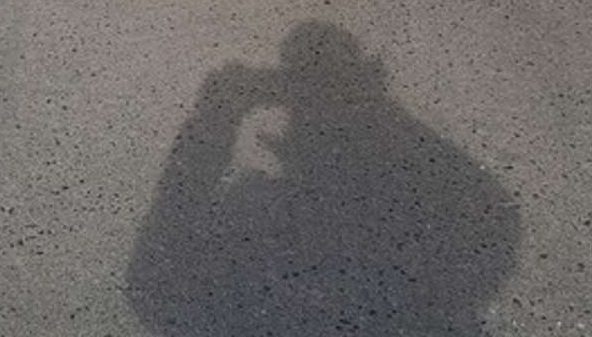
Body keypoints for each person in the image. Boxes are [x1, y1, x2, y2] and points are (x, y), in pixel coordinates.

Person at [128, 21, 519, 336]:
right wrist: (362, 99)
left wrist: (218, 110)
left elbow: (168, 234)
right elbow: (483, 206)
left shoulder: (175, 298)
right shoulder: (471, 251)